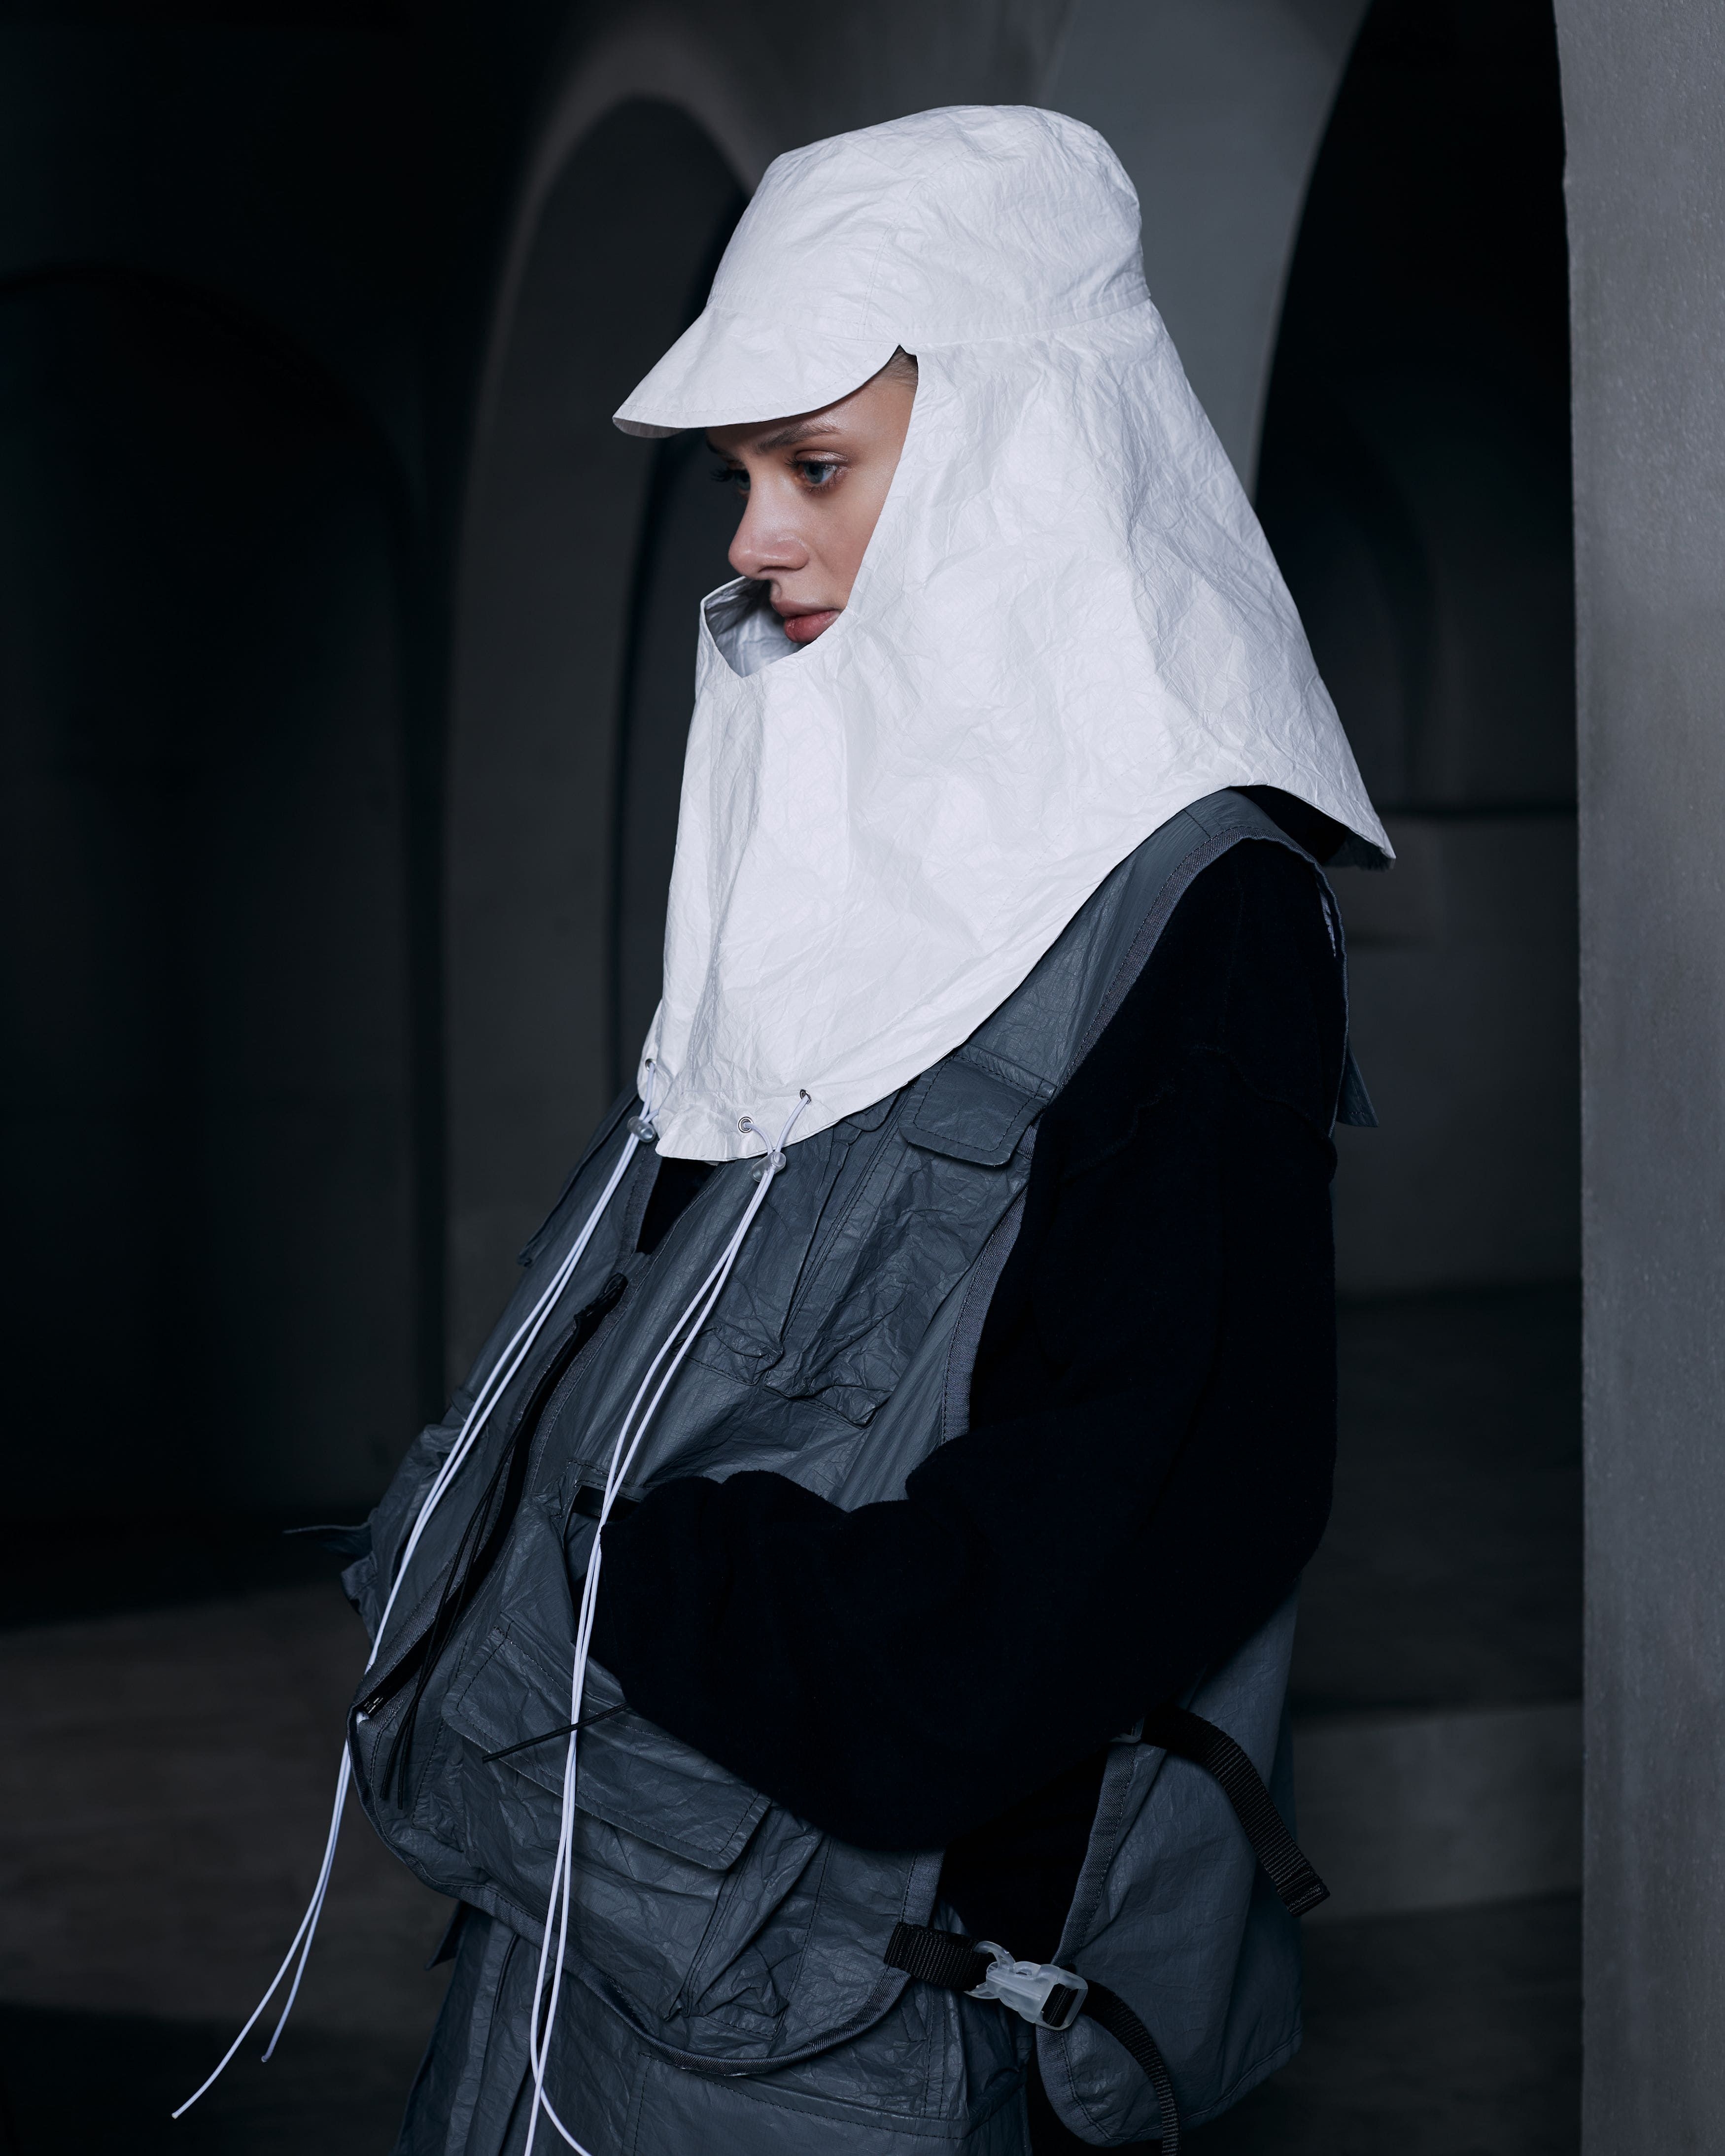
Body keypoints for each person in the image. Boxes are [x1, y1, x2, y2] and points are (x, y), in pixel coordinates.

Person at [347, 105, 1390, 2156]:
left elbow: (1144, 1514)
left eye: (812, 466)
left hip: (828, 2022)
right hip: (580, 1910)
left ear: (1023, 456)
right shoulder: (845, 808)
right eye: (742, 476)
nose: (752, 537)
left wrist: (632, 1579)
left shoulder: (1201, 914)